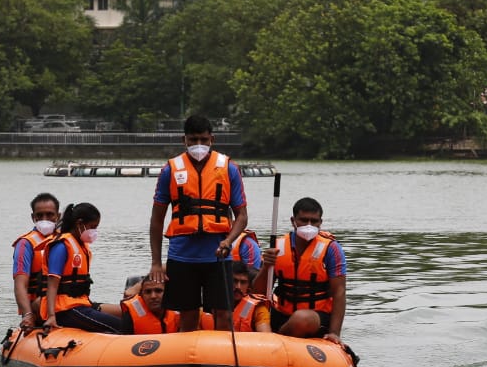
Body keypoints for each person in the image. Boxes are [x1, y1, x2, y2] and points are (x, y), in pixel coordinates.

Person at [147, 114, 249, 333]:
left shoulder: (229, 168)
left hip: (218, 254)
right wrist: (156, 262)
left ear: (211, 139)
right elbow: (157, 220)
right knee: (188, 313)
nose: (198, 145)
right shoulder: (170, 170)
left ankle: (221, 360)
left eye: (203, 140)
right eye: (193, 140)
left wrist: (229, 241)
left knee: (223, 313)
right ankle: (188, 359)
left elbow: (242, 216)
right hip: (182, 255)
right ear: (184, 140)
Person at [259, 197, 346, 344]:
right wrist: (266, 267)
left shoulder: (331, 249)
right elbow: (259, 292)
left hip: (315, 316)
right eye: (304, 220)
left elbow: (339, 291)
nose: (309, 225)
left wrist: (334, 333)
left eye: (314, 221)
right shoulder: (278, 246)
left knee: (301, 319)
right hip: (281, 312)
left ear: (321, 222)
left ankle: (276, 339)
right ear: (293, 220)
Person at [42, 202, 124, 334]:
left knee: (128, 316)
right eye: (92, 227)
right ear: (79, 224)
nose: (94, 232)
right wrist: (51, 316)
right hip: (63, 309)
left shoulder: (81, 246)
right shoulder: (61, 246)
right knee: (121, 326)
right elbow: (52, 285)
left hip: (80, 303)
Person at [12, 192, 60, 329]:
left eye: (50, 215)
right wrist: (27, 314)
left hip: (64, 300)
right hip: (38, 304)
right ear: (33, 217)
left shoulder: (64, 241)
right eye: (39, 216)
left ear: (58, 216)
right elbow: (20, 284)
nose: (45, 219)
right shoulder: (25, 244)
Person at [200, 261, 272, 332]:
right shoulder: (205, 307)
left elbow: (266, 336)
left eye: (243, 282)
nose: (238, 287)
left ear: (248, 286)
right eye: (234, 281)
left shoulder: (256, 308)